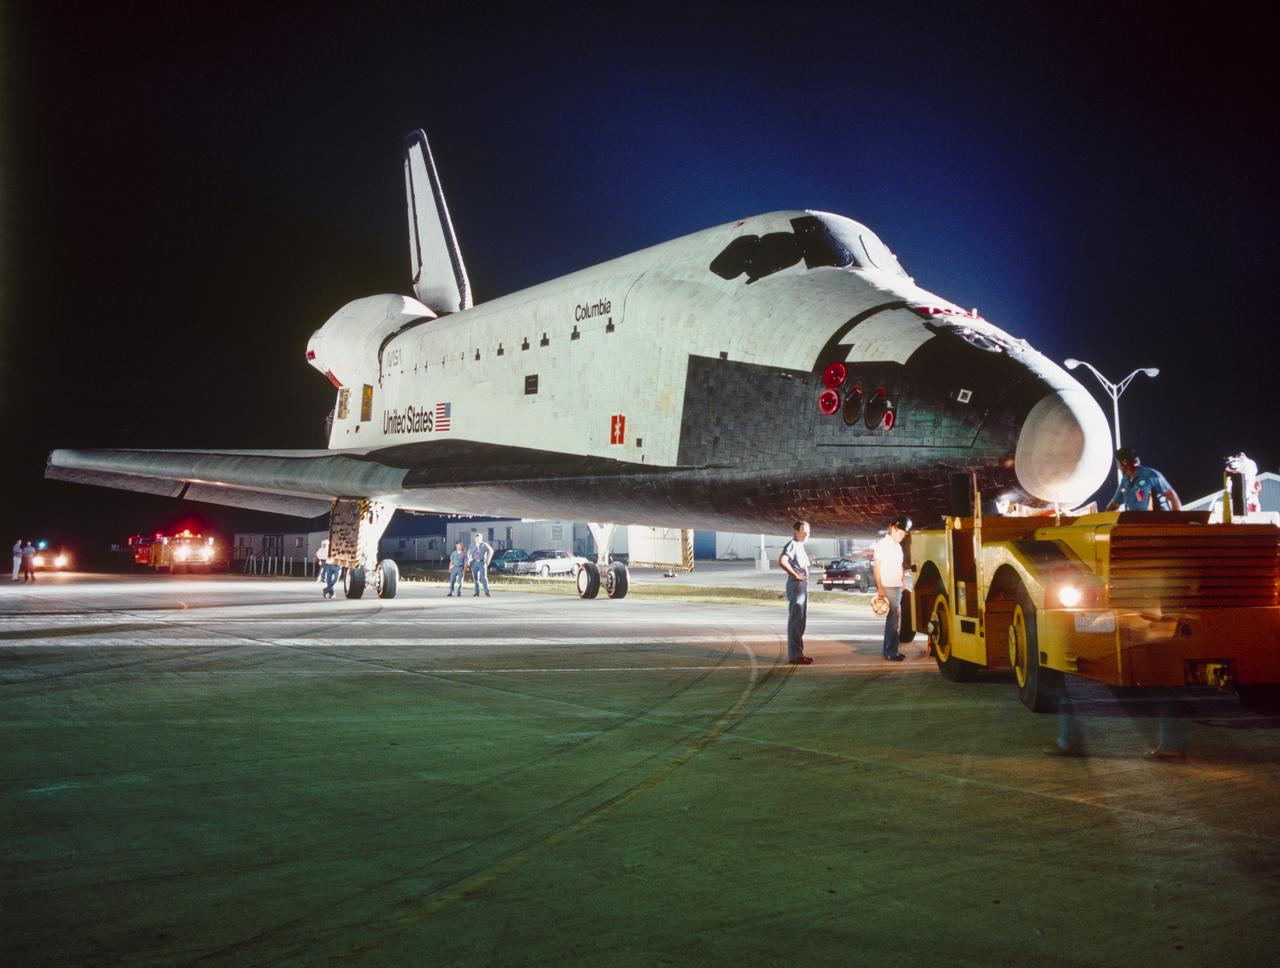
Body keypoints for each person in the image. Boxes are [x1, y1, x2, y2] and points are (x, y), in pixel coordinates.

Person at [873, 516, 911, 661]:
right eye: (901, 533)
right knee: (893, 620)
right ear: (893, 529)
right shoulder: (882, 545)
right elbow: (877, 566)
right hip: (888, 586)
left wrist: (902, 581)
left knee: (895, 619)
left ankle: (891, 649)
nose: (902, 536)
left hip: (897, 586)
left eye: (904, 534)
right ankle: (890, 651)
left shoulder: (897, 546)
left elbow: (900, 565)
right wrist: (880, 588)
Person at [778, 521, 813, 664]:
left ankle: (799, 653)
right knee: (796, 621)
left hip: (801, 585)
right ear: (796, 531)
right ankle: (795, 656)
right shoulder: (792, 545)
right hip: (796, 586)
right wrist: (795, 575)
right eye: (804, 531)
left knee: (800, 621)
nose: (807, 534)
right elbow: (782, 561)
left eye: (808, 531)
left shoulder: (800, 546)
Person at [1106, 447, 1181, 511]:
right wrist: (1101, 517)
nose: (1117, 466)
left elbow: (1172, 496)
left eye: (1117, 463)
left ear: (1124, 462)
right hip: (1138, 524)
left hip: (1159, 523)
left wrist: (1177, 523)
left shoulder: (1151, 475)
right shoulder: (1125, 481)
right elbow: (1115, 504)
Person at [470, 532, 493, 597]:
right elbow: (469, 553)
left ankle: (486, 592)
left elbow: (491, 551)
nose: (477, 539)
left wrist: (488, 560)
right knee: (475, 579)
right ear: (474, 539)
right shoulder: (472, 545)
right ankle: (476, 592)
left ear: (481, 538)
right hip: (474, 563)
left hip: (482, 563)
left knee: (483, 578)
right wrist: (469, 560)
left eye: (479, 538)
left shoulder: (484, 545)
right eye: (476, 538)